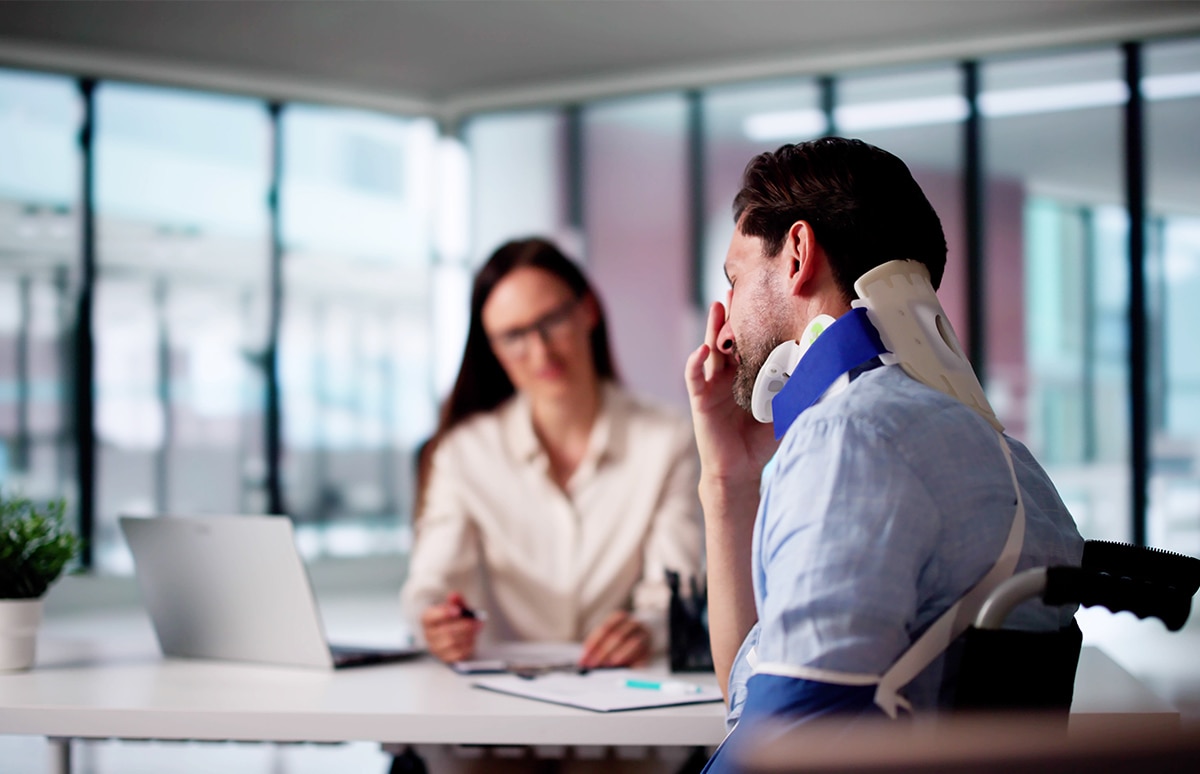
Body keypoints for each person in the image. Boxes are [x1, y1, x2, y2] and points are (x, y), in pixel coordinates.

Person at [683, 138, 1084, 770]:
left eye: (734, 279)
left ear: (796, 254)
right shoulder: (1016, 464)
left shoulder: (850, 440)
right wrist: (727, 475)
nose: (726, 326)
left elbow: (780, 748)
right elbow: (755, 689)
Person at [402, 237, 703, 670]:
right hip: (503, 704)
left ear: (588, 311)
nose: (540, 351)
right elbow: (430, 587)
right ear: (492, 348)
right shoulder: (463, 453)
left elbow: (675, 592)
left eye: (553, 320)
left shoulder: (667, 438)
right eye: (514, 336)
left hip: (625, 697)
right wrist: (436, 624)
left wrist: (647, 628)